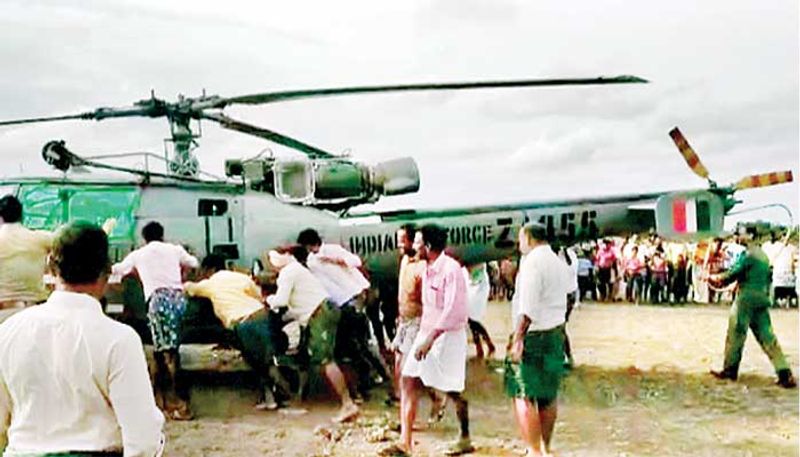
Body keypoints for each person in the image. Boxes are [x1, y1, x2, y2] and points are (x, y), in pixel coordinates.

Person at [0, 221, 164, 456]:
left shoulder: (9, 332)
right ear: (106, 272)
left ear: (51, 268)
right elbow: (143, 440)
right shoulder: (119, 339)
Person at [391, 224, 474, 456]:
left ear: (427, 246)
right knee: (408, 380)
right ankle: (405, 442)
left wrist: (430, 339)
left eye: (417, 242)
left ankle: (465, 437)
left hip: (448, 337)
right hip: (425, 334)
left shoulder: (451, 270)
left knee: (453, 390)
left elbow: (453, 311)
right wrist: (421, 337)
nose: (413, 246)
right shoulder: (426, 268)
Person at [111, 221, 199, 420]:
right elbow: (194, 263)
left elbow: (117, 269)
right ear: (162, 234)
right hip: (178, 299)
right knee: (165, 351)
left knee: (168, 354)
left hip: (159, 302)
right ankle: (167, 402)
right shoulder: (175, 250)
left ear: (144, 237)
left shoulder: (139, 254)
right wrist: (182, 274)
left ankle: (181, 404)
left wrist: (135, 273)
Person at [184, 254, 291, 410]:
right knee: (265, 357)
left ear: (210, 269)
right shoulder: (240, 277)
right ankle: (272, 397)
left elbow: (190, 289)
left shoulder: (210, 284)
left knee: (257, 362)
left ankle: (281, 392)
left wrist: (186, 282)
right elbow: (258, 294)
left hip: (243, 323)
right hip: (262, 316)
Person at [266, 246, 360, 423]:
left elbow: (280, 301)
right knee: (320, 357)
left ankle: (348, 404)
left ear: (286, 256)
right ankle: (346, 398)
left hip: (319, 315)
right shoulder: (297, 269)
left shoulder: (288, 272)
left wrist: (267, 299)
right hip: (321, 312)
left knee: (326, 360)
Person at [297, 228, 388, 399]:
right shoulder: (311, 261)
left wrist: (335, 260)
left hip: (355, 296)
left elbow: (355, 261)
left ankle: (380, 377)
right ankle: (366, 381)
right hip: (341, 302)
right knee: (352, 345)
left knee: (362, 344)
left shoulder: (331, 250)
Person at [505, 222, 570, 457]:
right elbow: (570, 295)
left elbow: (528, 307)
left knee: (523, 392)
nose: (519, 245)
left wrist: (518, 339)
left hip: (533, 333)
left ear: (530, 239)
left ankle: (533, 450)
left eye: (521, 240)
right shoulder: (557, 260)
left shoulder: (531, 262)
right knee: (548, 394)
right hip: (555, 332)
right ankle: (545, 447)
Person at [709, 226, 797, 389]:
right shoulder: (763, 255)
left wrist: (716, 278)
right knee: (768, 338)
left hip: (746, 299)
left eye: (741, 233)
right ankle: (784, 373)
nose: (738, 236)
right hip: (761, 299)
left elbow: (734, 273)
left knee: (736, 333)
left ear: (750, 235)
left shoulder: (748, 254)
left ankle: (730, 370)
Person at [388, 224, 445, 421]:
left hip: (417, 322)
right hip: (403, 321)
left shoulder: (424, 269)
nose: (399, 244)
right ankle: (426, 401)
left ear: (414, 242)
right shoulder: (404, 261)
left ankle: (411, 421)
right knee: (399, 367)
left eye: (402, 240)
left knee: (407, 371)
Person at [0, 194, 54, 308]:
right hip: (36, 307)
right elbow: (68, 242)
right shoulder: (40, 238)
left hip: (3, 308)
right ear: (21, 216)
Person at [464, 263, 496, 360]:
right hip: (469, 284)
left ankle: (486, 343)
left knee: (472, 318)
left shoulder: (479, 256)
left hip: (479, 285)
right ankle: (480, 344)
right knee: (470, 318)